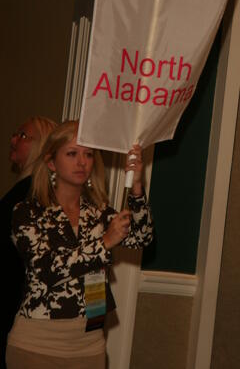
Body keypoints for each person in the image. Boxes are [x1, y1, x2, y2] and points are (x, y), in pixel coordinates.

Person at [6, 120, 153, 369]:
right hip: (36, 344)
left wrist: (137, 186)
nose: (82, 162)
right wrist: (105, 241)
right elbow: (48, 269)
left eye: (88, 154)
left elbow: (142, 237)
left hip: (89, 343)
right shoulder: (27, 212)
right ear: (51, 162)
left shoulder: (98, 212)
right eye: (72, 154)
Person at [0, 116, 57, 369]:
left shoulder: (33, 195)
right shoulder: (25, 190)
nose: (13, 140)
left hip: (23, 313)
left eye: (22, 135)